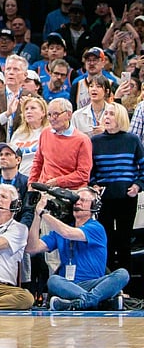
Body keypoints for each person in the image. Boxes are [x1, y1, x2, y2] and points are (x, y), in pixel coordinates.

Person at [26, 186, 131, 310]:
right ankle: (97, 302)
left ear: (94, 206)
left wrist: (44, 213)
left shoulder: (96, 228)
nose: (78, 202)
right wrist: (37, 215)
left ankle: (78, 302)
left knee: (122, 274)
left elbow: (67, 233)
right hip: (69, 286)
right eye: (76, 200)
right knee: (53, 280)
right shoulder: (60, 230)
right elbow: (32, 248)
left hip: (94, 284)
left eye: (83, 200)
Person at [87, 102, 144, 273]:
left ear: (120, 117)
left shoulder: (132, 140)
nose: (107, 117)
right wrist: (93, 184)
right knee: (107, 240)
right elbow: (90, 169)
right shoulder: (95, 141)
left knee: (124, 240)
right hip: (104, 199)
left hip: (126, 198)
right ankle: (109, 279)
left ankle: (125, 285)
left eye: (111, 114)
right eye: (106, 114)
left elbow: (142, 168)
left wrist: (138, 185)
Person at [30, 98, 92, 189]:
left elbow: (83, 174)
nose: (51, 119)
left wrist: (58, 182)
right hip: (44, 189)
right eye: (49, 115)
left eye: (56, 114)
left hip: (69, 192)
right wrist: (31, 184)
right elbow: (37, 163)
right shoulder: (45, 133)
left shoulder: (82, 140)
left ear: (69, 115)